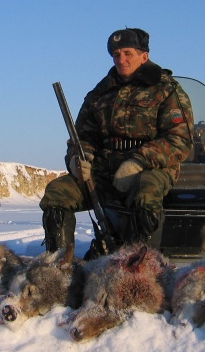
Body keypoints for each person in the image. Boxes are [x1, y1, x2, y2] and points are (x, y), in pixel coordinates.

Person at [40, 28, 194, 256]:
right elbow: (82, 137)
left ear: (144, 55)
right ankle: (58, 270)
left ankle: (141, 271)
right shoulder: (100, 93)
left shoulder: (166, 89)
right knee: (57, 192)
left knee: (146, 192)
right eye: (116, 54)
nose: (121, 59)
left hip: (151, 169)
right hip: (104, 171)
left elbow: (179, 139)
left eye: (128, 53)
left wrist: (138, 162)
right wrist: (78, 159)